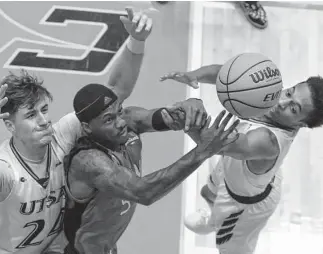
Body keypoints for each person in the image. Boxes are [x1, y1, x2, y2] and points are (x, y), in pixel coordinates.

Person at [0, 7, 154, 254]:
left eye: (43, 109)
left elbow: (114, 92)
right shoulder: (5, 171)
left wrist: (136, 41)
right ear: (9, 125)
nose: (43, 120)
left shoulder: (60, 137)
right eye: (31, 115)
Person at [55, 82, 240, 254]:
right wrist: (202, 152)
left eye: (119, 111)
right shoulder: (90, 161)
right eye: (109, 120)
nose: (120, 122)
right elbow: (144, 192)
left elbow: (169, 116)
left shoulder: (129, 121)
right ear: (87, 128)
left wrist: (190, 106)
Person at [160, 66, 323, 254]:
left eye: (293, 109)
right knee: (208, 192)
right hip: (239, 163)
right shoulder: (274, 93)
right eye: (289, 92)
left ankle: (219, 221)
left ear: (300, 124)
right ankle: (214, 219)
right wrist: (194, 75)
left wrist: (186, 121)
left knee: (228, 249)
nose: (282, 102)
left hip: (244, 204)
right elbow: (230, 75)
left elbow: (215, 146)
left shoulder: (268, 141)